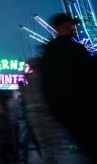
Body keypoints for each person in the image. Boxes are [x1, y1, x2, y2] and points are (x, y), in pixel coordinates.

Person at [41, 13, 97, 162]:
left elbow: (47, 85)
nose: (73, 27)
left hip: (66, 111)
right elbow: (90, 74)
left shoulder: (48, 52)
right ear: (60, 27)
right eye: (69, 24)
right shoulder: (75, 49)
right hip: (83, 107)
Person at [24, 57, 60, 164]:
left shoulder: (27, 81)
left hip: (32, 115)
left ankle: (48, 160)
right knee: (49, 141)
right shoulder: (41, 78)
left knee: (43, 143)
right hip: (43, 114)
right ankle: (51, 160)